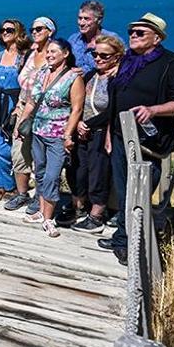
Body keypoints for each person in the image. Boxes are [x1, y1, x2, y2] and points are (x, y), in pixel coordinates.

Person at [99, 13, 174, 265]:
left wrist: (153, 110)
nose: (133, 36)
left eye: (140, 33)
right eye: (131, 32)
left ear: (157, 38)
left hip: (150, 143)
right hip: (120, 136)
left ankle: (135, 244)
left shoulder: (172, 64)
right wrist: (109, 133)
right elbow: (115, 102)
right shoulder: (128, 60)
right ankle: (122, 238)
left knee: (139, 192)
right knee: (123, 190)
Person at [15, 38, 84, 238]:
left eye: (54, 51)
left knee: (53, 176)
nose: (49, 54)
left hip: (57, 134)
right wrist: (22, 123)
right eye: (48, 51)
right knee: (41, 172)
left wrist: (68, 134)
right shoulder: (42, 73)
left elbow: (77, 109)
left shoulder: (73, 77)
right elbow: (32, 101)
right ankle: (42, 212)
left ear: (66, 54)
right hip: (37, 131)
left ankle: (48, 218)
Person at [70, 35, 125, 234]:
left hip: (102, 132)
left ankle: (97, 215)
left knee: (98, 173)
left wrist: (88, 124)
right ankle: (81, 207)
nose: (98, 58)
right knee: (80, 170)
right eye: (95, 54)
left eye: (104, 55)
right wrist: (77, 125)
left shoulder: (118, 79)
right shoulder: (91, 74)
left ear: (117, 56)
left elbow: (114, 108)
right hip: (82, 131)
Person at [4, 16, 56, 212]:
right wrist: (18, 107)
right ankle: (22, 193)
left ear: (50, 31)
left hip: (45, 113)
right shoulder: (29, 54)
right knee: (18, 153)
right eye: (33, 29)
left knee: (41, 157)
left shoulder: (54, 54)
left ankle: (40, 197)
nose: (34, 32)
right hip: (23, 108)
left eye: (40, 29)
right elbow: (23, 86)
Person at [0, 19, 30, 201]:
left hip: (12, 104)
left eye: (10, 30)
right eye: (3, 30)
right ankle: (0, 184)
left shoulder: (24, 57)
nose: (5, 32)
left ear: (18, 32)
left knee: (5, 147)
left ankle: (11, 185)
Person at [68, 0, 123, 76]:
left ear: (99, 20)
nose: (81, 23)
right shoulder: (73, 40)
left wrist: (118, 67)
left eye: (86, 19)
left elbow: (127, 60)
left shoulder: (111, 38)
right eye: (80, 18)